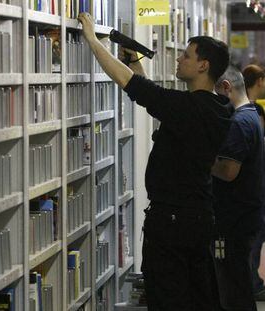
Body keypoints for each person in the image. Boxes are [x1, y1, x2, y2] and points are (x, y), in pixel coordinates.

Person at [77, 12, 233, 310]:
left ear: (203, 65)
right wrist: (134, 61)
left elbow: (130, 84)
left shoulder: (190, 108)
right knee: (195, 297)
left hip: (172, 223)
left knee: (168, 297)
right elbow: (154, 98)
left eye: (186, 56)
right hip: (196, 217)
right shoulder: (213, 107)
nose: (179, 60)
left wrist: (92, 41)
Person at [211, 66, 265, 311]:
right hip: (247, 213)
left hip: (236, 218)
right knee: (239, 283)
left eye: (217, 93)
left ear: (226, 88)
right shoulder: (252, 115)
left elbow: (229, 172)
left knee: (235, 288)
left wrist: (203, 159)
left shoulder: (240, 123)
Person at [242, 64, 265, 300]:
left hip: (253, 186)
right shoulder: (251, 113)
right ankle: (251, 284)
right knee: (254, 239)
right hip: (253, 188)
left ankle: (252, 282)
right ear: (259, 80)